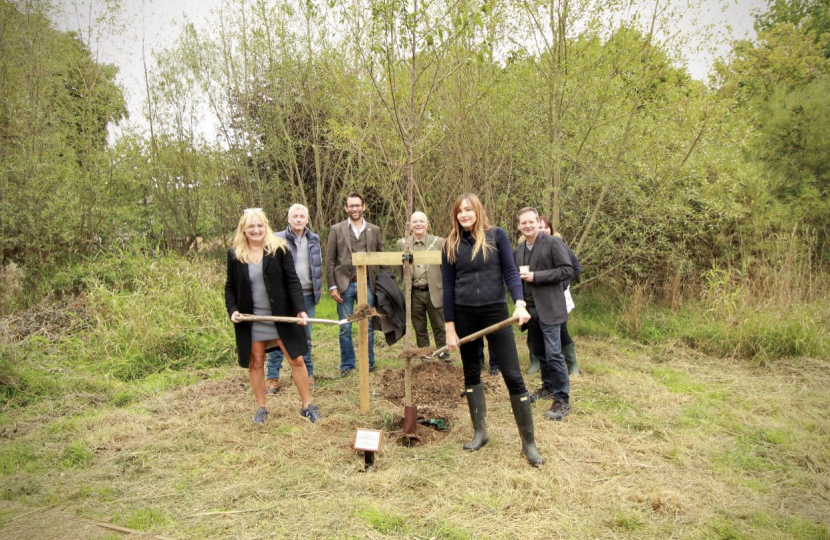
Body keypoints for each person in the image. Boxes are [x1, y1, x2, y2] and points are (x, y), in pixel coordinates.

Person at [442, 193, 543, 467]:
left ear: (477, 211)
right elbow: (448, 288)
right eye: (459, 211)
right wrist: (450, 328)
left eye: (468, 210)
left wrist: (520, 303)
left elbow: (511, 272)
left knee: (512, 374)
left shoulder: (496, 236)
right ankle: (480, 432)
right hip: (464, 316)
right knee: (471, 372)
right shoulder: (450, 244)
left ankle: (529, 443)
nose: (464, 215)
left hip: (495, 312)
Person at [224, 208, 320, 425]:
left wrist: (300, 309)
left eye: (260, 225)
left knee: (297, 359)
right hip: (252, 319)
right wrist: (233, 311)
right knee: (256, 362)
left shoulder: (279, 249)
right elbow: (230, 287)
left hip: (281, 316)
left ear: (265, 226)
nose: (256, 230)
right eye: (251, 226)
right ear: (244, 229)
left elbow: (292, 281)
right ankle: (261, 407)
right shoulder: (235, 254)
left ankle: (307, 406)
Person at [514, 207, 574, 421]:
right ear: (519, 225)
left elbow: (567, 270)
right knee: (539, 352)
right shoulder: (519, 249)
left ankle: (562, 399)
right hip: (530, 312)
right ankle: (548, 387)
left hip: (550, 308)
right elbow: (515, 280)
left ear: (538, 222)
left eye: (531, 222)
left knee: (554, 354)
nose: (528, 226)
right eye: (524, 223)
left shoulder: (552, 243)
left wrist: (536, 276)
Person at [265, 204, 323, 394]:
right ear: (288, 219)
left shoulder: (314, 239)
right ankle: (273, 377)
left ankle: (307, 373)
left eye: (302, 216)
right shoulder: (277, 239)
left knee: (305, 336)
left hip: (307, 295)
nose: (298, 219)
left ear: (307, 219)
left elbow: (317, 266)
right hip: (284, 296)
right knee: (279, 336)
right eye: (295, 216)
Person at [326, 193, 383, 376]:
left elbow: (381, 258)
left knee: (367, 326)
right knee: (345, 327)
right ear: (346, 208)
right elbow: (330, 260)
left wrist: (382, 285)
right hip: (344, 285)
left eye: (357, 205)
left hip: (367, 285)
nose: (354, 209)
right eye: (351, 206)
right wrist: (333, 286)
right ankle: (348, 366)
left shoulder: (374, 230)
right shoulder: (336, 229)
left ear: (364, 207)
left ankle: (369, 364)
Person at [396, 211, 448, 360]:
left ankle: (443, 354)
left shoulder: (439, 242)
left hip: (434, 291)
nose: (418, 224)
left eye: (421, 221)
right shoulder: (402, 244)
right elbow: (400, 270)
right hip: (414, 293)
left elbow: (445, 269)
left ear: (427, 224)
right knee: (419, 327)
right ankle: (425, 356)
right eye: (415, 221)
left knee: (438, 325)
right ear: (410, 225)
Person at [552, 230, 583, 376]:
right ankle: (538, 362)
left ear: (550, 229)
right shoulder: (527, 247)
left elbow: (575, 268)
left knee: (561, 328)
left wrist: (563, 285)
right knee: (534, 329)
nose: (542, 230)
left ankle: (572, 364)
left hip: (558, 295)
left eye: (545, 227)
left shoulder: (560, 246)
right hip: (537, 297)